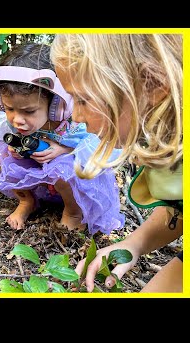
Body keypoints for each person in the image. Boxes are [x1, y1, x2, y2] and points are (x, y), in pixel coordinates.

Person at [50, 34, 182, 292]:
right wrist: (134, 244)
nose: (76, 115)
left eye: (84, 99)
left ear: (152, 83)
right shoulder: (165, 135)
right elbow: (179, 210)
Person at [0, 43, 125, 235]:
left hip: (67, 170)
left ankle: (73, 212)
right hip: (37, 166)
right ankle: (27, 200)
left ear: (56, 104)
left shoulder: (74, 121)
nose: (17, 119)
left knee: (63, 170)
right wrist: (16, 148)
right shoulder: (15, 120)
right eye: (10, 109)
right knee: (3, 156)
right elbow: (10, 134)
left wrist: (64, 149)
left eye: (29, 111)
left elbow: (99, 145)